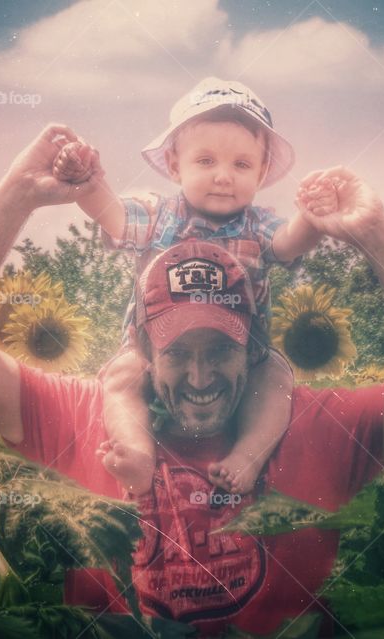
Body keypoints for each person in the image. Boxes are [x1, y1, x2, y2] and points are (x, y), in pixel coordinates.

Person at [0, 123, 384, 636]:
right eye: (179, 351)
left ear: (253, 345)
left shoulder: (314, 426)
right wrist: (16, 194)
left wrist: (374, 232)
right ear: (146, 349)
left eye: (221, 348)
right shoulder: (88, 422)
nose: (201, 375)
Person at [48, 77, 344, 497]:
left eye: (241, 165)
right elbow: (113, 216)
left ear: (261, 173)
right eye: (206, 161)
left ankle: (248, 456)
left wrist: (314, 218)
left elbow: (290, 243)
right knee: (121, 380)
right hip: (153, 350)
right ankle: (136, 453)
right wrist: (88, 183)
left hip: (243, 352)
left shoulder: (259, 226)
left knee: (276, 378)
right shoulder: (158, 215)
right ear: (174, 165)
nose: (223, 177)